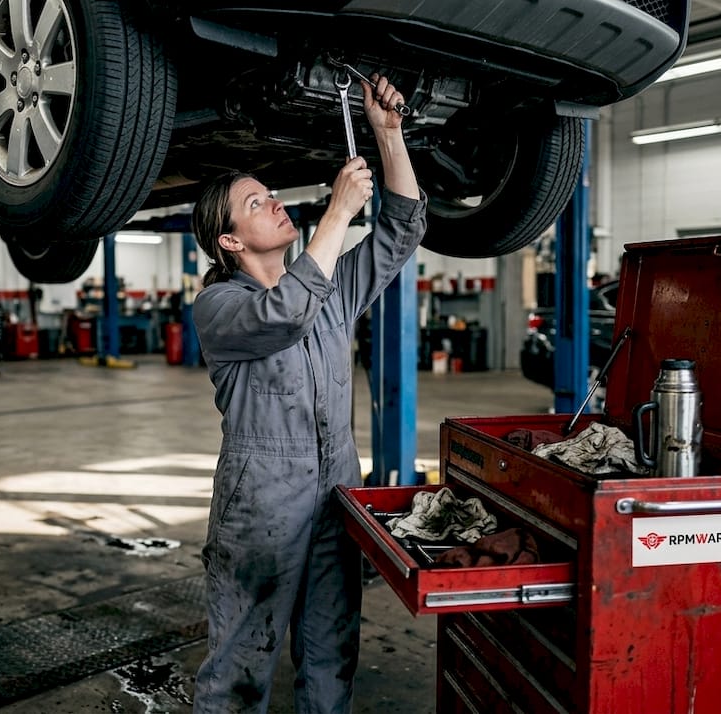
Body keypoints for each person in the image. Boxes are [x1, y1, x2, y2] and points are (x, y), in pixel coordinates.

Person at [190, 73, 426, 713]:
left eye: (270, 194)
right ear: (230, 242)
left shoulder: (326, 291)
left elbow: (402, 231)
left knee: (332, 655)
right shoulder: (219, 306)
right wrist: (340, 212)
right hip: (263, 498)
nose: (273, 203)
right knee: (242, 663)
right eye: (255, 203)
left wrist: (388, 134)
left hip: (336, 488)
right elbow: (283, 314)